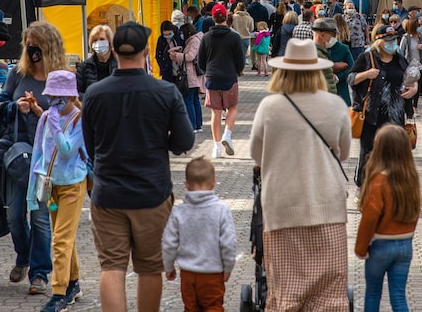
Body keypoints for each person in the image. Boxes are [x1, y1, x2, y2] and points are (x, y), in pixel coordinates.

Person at [82, 21, 195, 312]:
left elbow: (90, 145)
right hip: (151, 192)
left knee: (111, 267)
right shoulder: (165, 92)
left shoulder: (94, 94)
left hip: (108, 193)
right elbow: (184, 140)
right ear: (146, 51)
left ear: (114, 51)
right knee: (149, 268)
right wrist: (160, 143)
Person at [250, 39, 351, 311]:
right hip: (327, 208)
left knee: (286, 294)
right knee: (328, 296)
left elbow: (256, 154)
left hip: (282, 210)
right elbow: (343, 153)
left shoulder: (270, 107)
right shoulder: (335, 105)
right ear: (317, 71)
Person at [0, 21, 69, 294]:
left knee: (39, 217)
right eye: (28, 44)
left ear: (48, 46)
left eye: (36, 45)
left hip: (46, 158)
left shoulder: (61, 76)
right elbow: (0, 102)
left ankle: (40, 272)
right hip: (18, 153)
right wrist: (16, 105)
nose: (31, 50)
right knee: (14, 216)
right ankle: (23, 256)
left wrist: (41, 112)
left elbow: (68, 117)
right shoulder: (18, 73)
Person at [27, 70, 91, 312]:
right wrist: (35, 184)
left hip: (73, 184)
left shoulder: (79, 120)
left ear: (71, 96)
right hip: (51, 184)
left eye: (58, 96)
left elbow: (66, 150)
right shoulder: (45, 118)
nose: (54, 101)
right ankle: (73, 283)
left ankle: (58, 292)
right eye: (51, 96)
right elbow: (40, 152)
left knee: (60, 240)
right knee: (64, 237)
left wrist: (54, 126)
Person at [355, 125, 421, 312]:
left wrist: (361, 248)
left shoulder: (378, 180)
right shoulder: (410, 178)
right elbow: (415, 209)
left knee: (373, 293)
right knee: (398, 296)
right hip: (405, 244)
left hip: (380, 245)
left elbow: (370, 217)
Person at [162, 157, 237, 311]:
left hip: (187, 273)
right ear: (213, 183)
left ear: (186, 185)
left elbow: (169, 243)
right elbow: (228, 243)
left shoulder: (179, 212)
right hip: (213, 272)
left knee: (190, 307)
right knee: (213, 306)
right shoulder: (221, 210)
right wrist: (228, 267)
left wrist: (168, 266)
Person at [350, 25, 417, 188]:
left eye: (394, 40)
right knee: (369, 155)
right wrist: (366, 74)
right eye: (388, 40)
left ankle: (389, 190)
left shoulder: (400, 59)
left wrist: (414, 88)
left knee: (394, 156)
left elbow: (410, 78)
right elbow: (351, 79)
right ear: (378, 42)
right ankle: (365, 189)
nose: (392, 43)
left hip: (395, 117)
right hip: (372, 117)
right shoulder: (367, 58)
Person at [197, 3, 245, 159]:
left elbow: (201, 61)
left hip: (211, 78)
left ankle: (216, 148)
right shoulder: (234, 37)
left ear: (212, 18)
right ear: (226, 17)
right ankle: (227, 134)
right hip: (229, 77)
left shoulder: (206, 37)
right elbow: (240, 60)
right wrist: (237, 70)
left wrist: (207, 72)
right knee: (232, 108)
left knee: (215, 113)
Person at [170, 23, 205, 132]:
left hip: (191, 75)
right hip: (192, 75)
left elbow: (190, 56)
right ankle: (197, 124)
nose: (181, 35)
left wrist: (176, 56)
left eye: (182, 33)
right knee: (194, 100)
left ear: (188, 32)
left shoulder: (194, 41)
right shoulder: (194, 39)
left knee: (189, 100)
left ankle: (192, 125)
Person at [399, 18, 422, 122]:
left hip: (419, 66)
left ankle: (415, 107)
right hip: (408, 66)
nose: (420, 27)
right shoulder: (406, 38)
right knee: (408, 87)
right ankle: (408, 108)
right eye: (418, 25)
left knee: (418, 87)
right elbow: (400, 52)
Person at [75, 25, 117, 95]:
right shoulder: (84, 67)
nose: (98, 43)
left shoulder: (119, 65)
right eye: (95, 40)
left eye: (102, 39)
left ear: (109, 41)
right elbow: (77, 93)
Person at [330, 15, 355, 107]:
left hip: (341, 92)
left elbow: (351, 67)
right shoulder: (317, 49)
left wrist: (337, 77)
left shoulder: (343, 49)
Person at [311, 17, 341, 95]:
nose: (335, 39)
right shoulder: (317, 55)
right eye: (333, 36)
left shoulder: (318, 52)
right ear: (323, 35)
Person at [155, 20, 184, 85]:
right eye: (165, 35)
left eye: (169, 34)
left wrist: (179, 49)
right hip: (167, 69)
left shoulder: (178, 37)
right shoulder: (161, 40)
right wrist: (163, 67)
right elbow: (158, 55)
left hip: (179, 68)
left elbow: (184, 47)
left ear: (173, 31)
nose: (167, 36)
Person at [233, 1, 255, 69]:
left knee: (235, 55)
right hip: (246, 38)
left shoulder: (234, 17)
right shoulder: (249, 18)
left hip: (236, 37)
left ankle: (236, 68)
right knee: (243, 55)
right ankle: (241, 69)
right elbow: (252, 29)